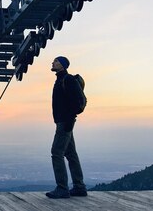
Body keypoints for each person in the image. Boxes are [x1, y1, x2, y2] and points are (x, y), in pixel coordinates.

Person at [45, 56, 88, 199]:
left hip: (65, 122)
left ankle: (62, 188)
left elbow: (77, 101)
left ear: (62, 65)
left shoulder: (67, 80)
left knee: (56, 152)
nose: (53, 63)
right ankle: (79, 187)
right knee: (70, 154)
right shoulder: (60, 80)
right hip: (64, 121)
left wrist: (70, 118)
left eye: (56, 61)